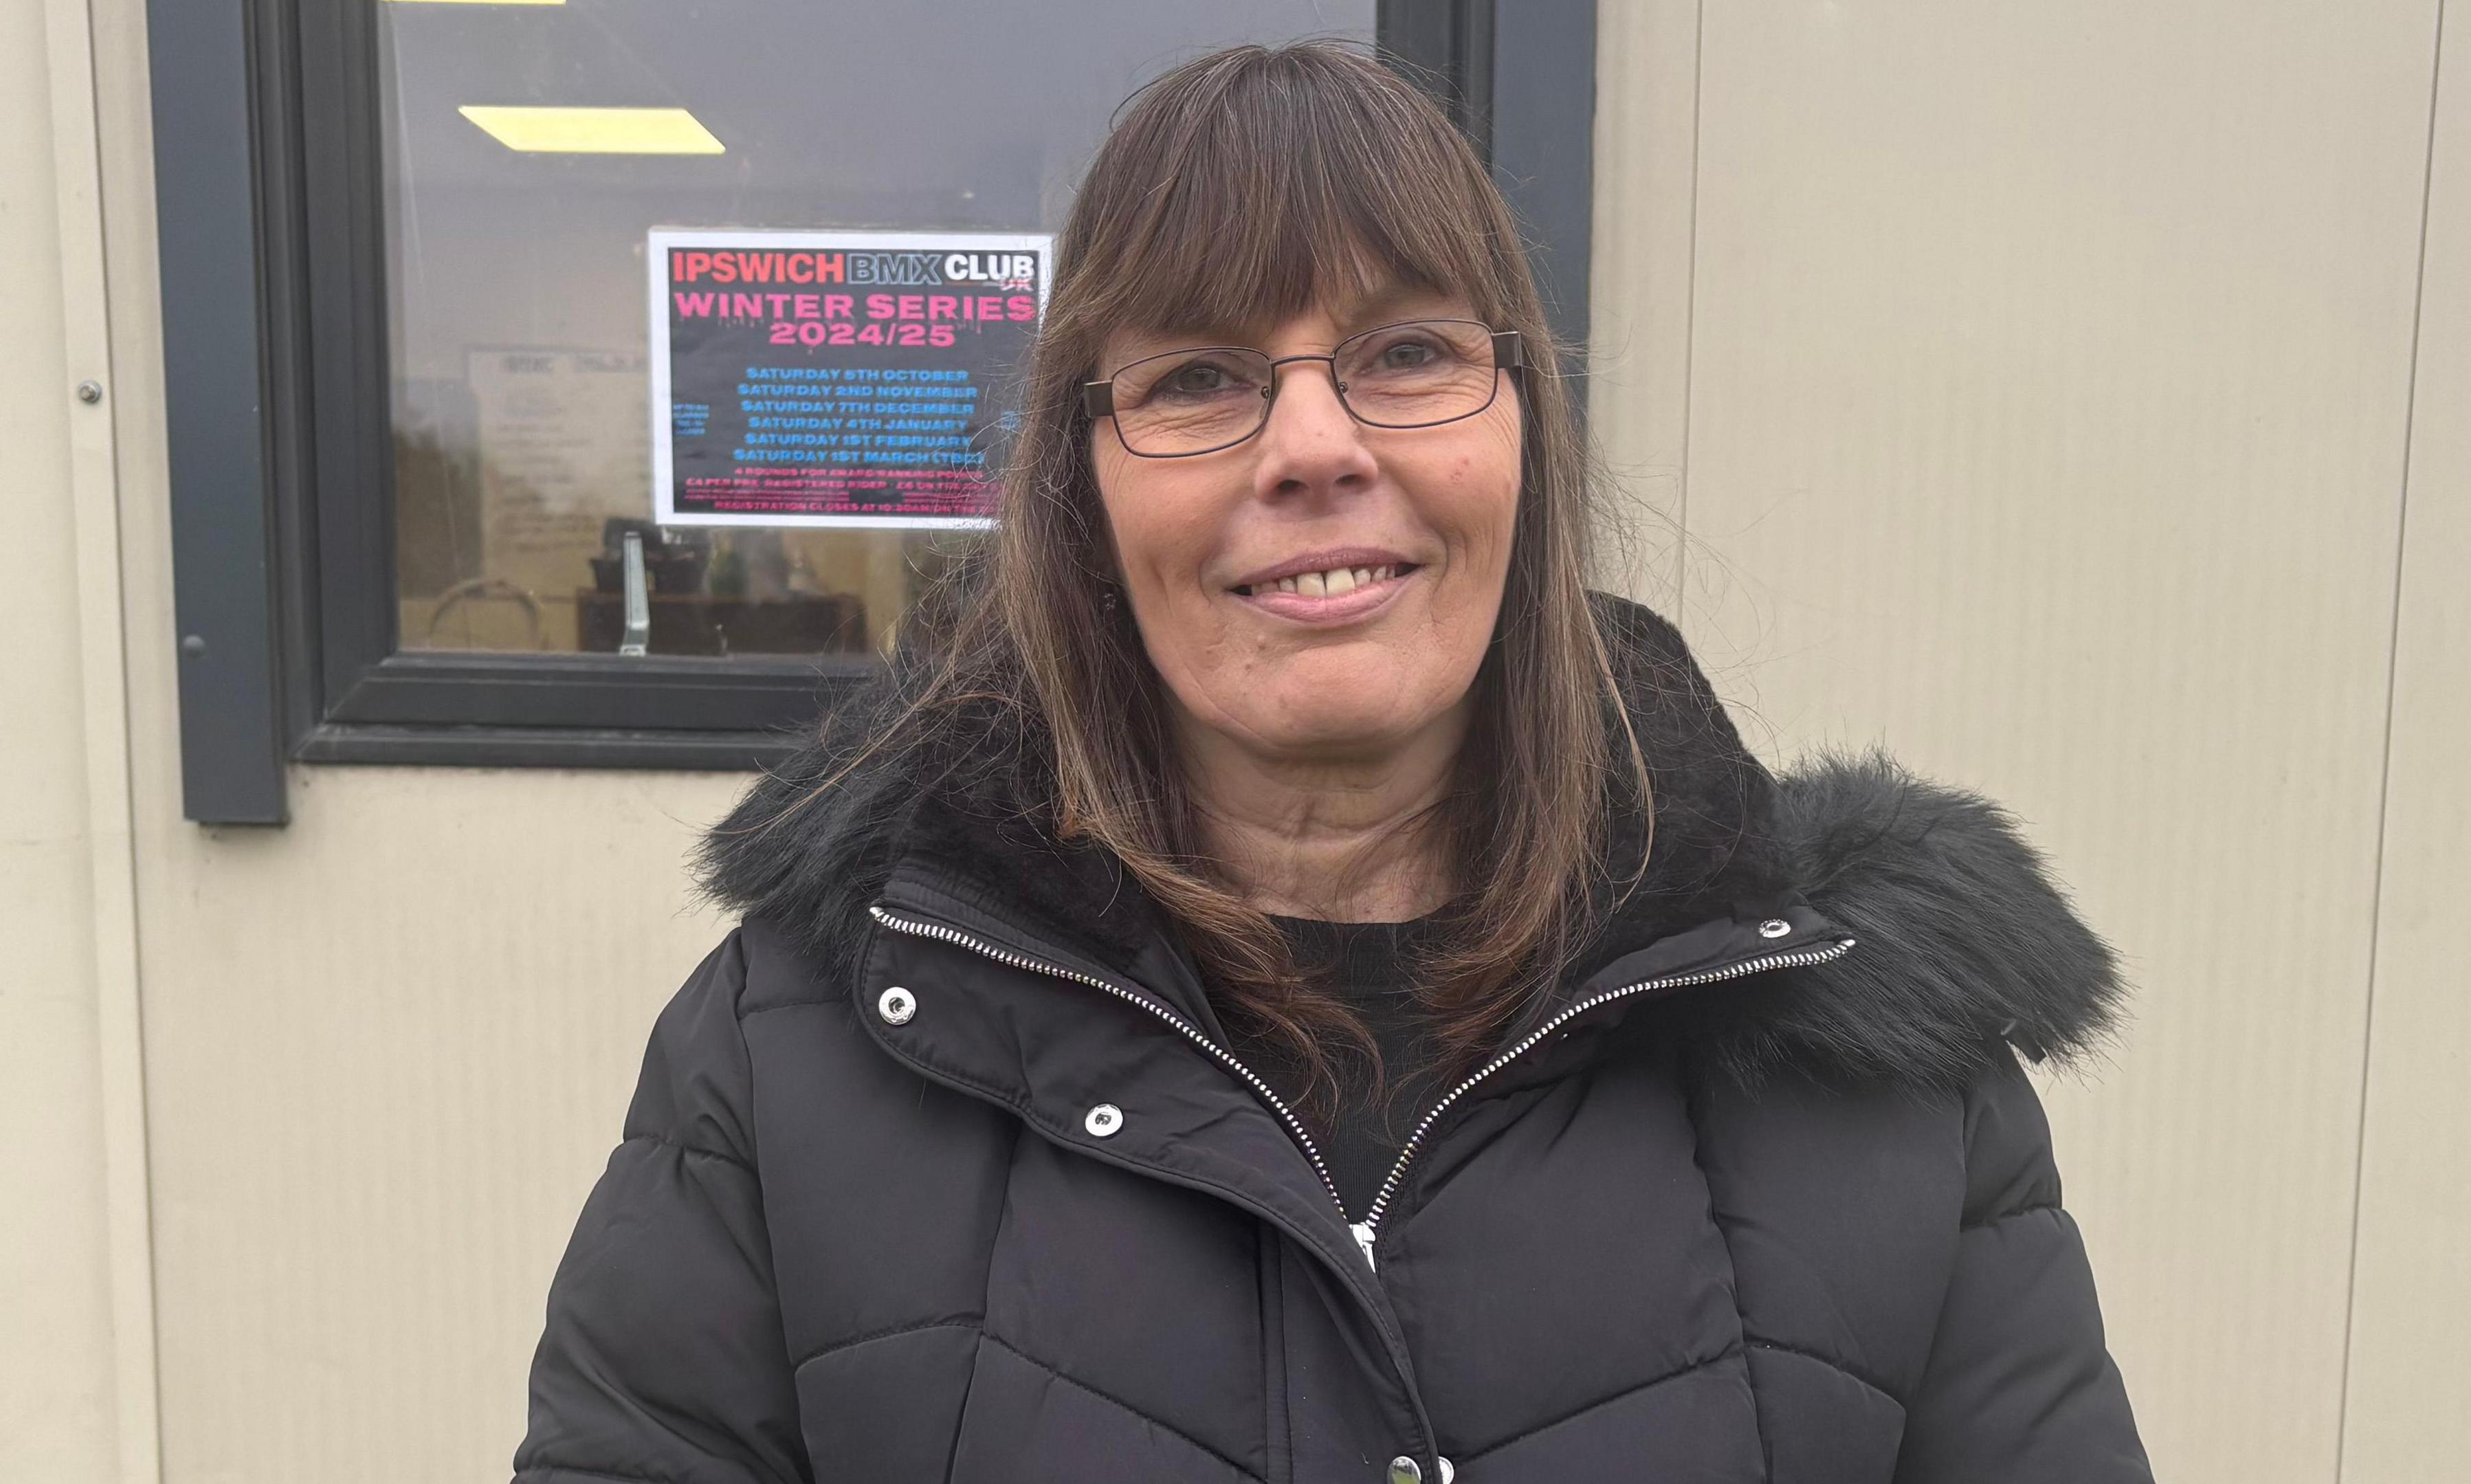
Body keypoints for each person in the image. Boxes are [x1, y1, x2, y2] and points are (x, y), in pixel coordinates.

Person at [513, 41, 2151, 1484]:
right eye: (1200, 377)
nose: (1314, 447)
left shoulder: (1878, 1059)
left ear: (1525, 435)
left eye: (1409, 352)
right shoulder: (801, 1043)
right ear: (1083, 488)